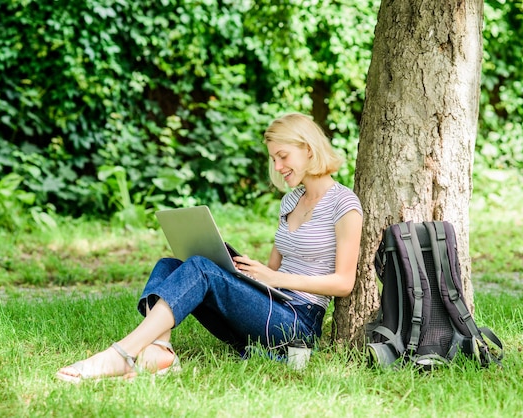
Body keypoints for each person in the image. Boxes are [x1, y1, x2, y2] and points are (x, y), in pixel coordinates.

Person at [55, 112, 363, 382]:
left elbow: (344, 283)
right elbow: (271, 270)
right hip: (273, 302)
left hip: (297, 320)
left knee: (201, 270)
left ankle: (122, 353)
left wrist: (276, 279)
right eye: (273, 159)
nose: (278, 165)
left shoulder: (343, 204)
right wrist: (245, 271)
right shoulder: (291, 201)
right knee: (168, 265)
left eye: (283, 156)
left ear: (308, 149)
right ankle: (160, 350)